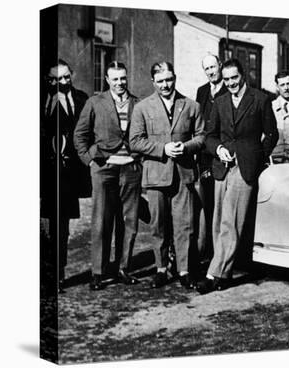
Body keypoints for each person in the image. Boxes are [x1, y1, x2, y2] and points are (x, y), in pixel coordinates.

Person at [197, 59, 278, 294]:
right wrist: (218, 149)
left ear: (243, 76)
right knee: (218, 220)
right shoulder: (220, 102)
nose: (231, 83)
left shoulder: (260, 99)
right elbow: (209, 136)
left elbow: (271, 135)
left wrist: (256, 157)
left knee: (230, 221)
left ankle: (215, 273)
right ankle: (224, 269)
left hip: (245, 169)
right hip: (222, 167)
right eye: (227, 79)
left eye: (235, 77)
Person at [130, 61, 205, 289]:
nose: (165, 85)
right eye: (160, 81)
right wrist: (162, 148)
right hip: (156, 175)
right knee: (158, 226)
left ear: (175, 78)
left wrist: (187, 147)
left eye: (169, 79)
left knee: (185, 225)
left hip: (183, 175)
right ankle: (161, 269)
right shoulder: (142, 107)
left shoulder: (191, 105)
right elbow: (135, 141)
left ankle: (183, 270)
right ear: (153, 82)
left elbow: (202, 136)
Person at [74, 61, 142, 291]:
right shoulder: (95, 102)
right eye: (115, 79)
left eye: (123, 78)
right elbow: (80, 135)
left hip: (130, 170)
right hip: (104, 169)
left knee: (129, 222)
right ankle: (98, 273)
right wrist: (90, 160)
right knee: (101, 221)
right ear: (107, 79)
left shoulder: (137, 103)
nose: (120, 83)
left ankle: (123, 268)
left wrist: (138, 161)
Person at [41, 59, 89, 293]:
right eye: (55, 79)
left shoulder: (82, 99)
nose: (61, 83)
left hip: (70, 175)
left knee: (62, 226)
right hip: (44, 172)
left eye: (65, 77)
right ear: (48, 80)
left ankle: (58, 275)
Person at [195, 54, 229, 264]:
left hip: (223, 154)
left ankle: (223, 252)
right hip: (205, 157)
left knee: (223, 207)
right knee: (207, 205)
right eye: (206, 68)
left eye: (213, 67)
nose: (210, 71)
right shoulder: (202, 92)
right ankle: (208, 251)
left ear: (220, 66)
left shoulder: (230, 90)